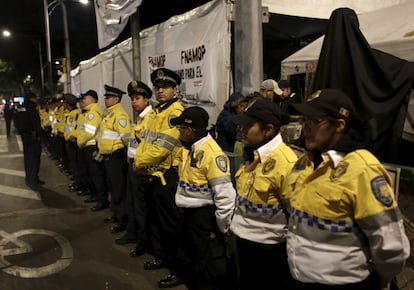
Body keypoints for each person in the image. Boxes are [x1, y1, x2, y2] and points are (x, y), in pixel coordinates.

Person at [286, 88, 410, 289]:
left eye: (314, 121)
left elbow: (390, 246)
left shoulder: (362, 169)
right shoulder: (305, 163)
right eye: (304, 120)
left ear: (340, 125)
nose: (305, 128)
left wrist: (380, 281)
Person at [230, 97, 298, 289]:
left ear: (268, 129)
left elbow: (296, 217)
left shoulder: (286, 163)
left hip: (269, 252)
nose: (242, 130)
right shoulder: (254, 154)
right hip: (246, 244)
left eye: (248, 125)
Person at [171, 106, 237, 289]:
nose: (179, 133)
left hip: (203, 218)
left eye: (181, 129)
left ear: (190, 131)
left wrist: (223, 226)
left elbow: (225, 195)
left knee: (208, 265)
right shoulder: (189, 147)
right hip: (189, 216)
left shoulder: (212, 154)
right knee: (192, 260)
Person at [132, 67, 184, 288]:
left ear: (175, 89)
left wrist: (138, 163)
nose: (160, 90)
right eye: (158, 87)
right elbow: (146, 143)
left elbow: (161, 149)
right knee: (156, 223)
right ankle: (162, 257)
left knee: (172, 226)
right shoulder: (156, 112)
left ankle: (178, 269)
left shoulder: (175, 113)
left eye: (166, 87)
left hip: (167, 178)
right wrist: (141, 164)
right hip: (152, 176)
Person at [115, 80, 154, 259]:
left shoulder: (150, 118)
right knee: (133, 203)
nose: (133, 102)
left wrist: (138, 164)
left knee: (141, 207)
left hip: (142, 169)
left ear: (146, 100)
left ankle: (143, 241)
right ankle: (134, 234)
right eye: (132, 98)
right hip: (133, 166)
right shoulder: (139, 118)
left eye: (137, 98)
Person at [98, 85, 131, 233]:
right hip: (108, 158)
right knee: (113, 187)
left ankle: (122, 220)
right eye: (105, 97)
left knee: (118, 190)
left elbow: (126, 139)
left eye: (109, 97)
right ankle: (116, 214)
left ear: (116, 99)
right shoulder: (109, 114)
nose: (105, 99)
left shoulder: (120, 115)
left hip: (117, 158)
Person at [76, 89, 108, 211]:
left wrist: (80, 141)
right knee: (92, 174)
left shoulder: (93, 113)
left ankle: (101, 200)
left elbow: (89, 132)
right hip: (89, 146)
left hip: (91, 146)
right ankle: (96, 196)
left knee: (96, 175)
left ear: (93, 99)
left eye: (86, 97)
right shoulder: (89, 112)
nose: (83, 100)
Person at [13, 92, 44, 187]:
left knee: (27, 158)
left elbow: (16, 121)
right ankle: (33, 179)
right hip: (33, 135)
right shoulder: (31, 108)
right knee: (34, 158)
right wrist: (40, 134)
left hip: (25, 135)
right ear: (32, 98)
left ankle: (29, 178)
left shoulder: (20, 108)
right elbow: (36, 123)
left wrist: (20, 130)